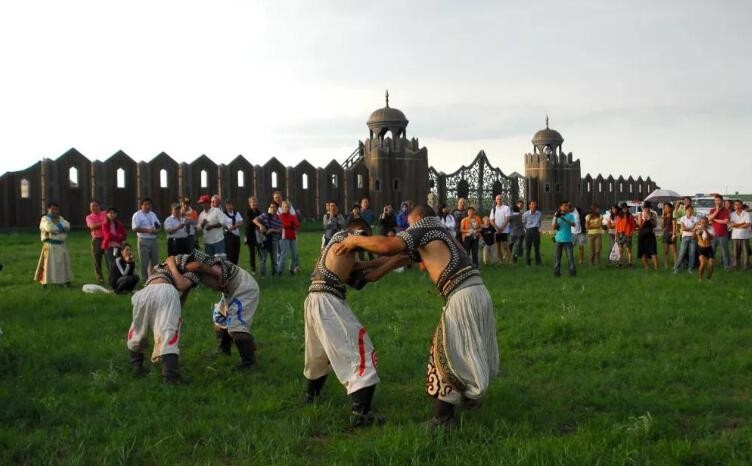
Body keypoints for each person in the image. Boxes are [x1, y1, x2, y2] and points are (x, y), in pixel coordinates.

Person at [333, 206, 499, 428]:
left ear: (418, 218)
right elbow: (398, 258)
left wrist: (354, 241)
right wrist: (364, 267)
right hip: (476, 292)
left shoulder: (425, 226)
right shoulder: (436, 233)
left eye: (409, 223)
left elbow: (388, 246)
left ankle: (443, 419)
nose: (407, 228)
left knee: (444, 354)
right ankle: (469, 399)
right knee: (468, 349)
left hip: (463, 296)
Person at [302, 218, 395, 428]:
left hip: (315, 299)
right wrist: (398, 247)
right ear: (360, 231)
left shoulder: (338, 250)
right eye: (366, 234)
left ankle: (311, 396)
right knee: (361, 353)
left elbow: (362, 280)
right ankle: (360, 414)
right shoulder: (349, 237)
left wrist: (397, 261)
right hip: (327, 301)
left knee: (319, 354)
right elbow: (381, 247)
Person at [126, 253, 214, 384]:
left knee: (138, 330)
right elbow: (183, 284)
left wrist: (177, 308)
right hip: (165, 291)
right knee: (168, 332)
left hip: (144, 293)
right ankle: (170, 377)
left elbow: (183, 293)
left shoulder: (161, 265)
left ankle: (136, 367)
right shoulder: (189, 265)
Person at [187, 250, 261, 370]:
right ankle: (223, 349)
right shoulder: (202, 263)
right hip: (231, 290)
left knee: (236, 327)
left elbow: (197, 266)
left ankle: (249, 362)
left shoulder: (201, 265)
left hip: (244, 288)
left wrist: (183, 268)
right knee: (219, 317)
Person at [35, 202, 73, 287]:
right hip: (50, 245)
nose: (54, 211)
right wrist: (61, 228)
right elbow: (49, 228)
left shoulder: (60, 218)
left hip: (61, 245)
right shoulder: (45, 219)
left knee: (63, 265)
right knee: (49, 265)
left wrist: (58, 226)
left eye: (56, 209)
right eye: (52, 209)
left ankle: (65, 281)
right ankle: (45, 282)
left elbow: (68, 226)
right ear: (48, 209)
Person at [131, 198, 161, 280]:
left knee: (154, 261)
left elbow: (158, 226)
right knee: (144, 261)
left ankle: (153, 277)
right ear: (141, 205)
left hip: (153, 240)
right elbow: (134, 228)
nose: (148, 206)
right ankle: (144, 279)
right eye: (145, 204)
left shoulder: (153, 214)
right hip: (143, 240)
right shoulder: (137, 215)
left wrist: (156, 231)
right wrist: (147, 230)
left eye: (149, 204)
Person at [254, 202, 283, 276]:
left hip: (274, 240)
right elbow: (255, 220)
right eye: (271, 207)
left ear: (277, 209)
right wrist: (260, 225)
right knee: (263, 258)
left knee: (274, 259)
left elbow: (280, 230)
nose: (272, 208)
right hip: (264, 240)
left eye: (274, 207)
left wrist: (272, 230)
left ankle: (274, 274)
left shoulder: (278, 218)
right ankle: (263, 274)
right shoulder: (265, 215)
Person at [197, 194, 226, 258]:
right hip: (207, 242)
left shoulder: (217, 211)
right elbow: (198, 229)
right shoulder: (201, 214)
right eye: (200, 203)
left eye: (203, 203)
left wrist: (212, 226)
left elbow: (223, 223)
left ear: (208, 203)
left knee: (220, 262)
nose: (201, 205)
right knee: (209, 263)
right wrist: (202, 224)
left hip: (218, 241)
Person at [86, 200, 108, 283]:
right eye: (92, 206)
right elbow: (92, 226)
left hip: (107, 238)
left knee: (109, 259)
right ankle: (100, 278)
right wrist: (104, 223)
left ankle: (112, 276)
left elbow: (110, 222)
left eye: (95, 206)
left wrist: (98, 224)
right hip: (97, 239)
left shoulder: (105, 213)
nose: (94, 208)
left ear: (99, 206)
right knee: (97, 259)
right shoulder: (89, 217)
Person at [552, 201, 576, 277]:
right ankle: (557, 273)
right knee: (557, 258)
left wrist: (564, 218)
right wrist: (556, 217)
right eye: (564, 206)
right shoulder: (556, 215)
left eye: (567, 206)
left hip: (568, 240)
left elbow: (573, 224)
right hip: (558, 240)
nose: (566, 207)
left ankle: (572, 273)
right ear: (560, 207)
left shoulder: (570, 215)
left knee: (570, 258)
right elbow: (553, 227)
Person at [708, 194, 731, 271]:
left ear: (722, 201)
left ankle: (727, 267)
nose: (717, 202)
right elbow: (709, 218)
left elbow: (725, 221)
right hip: (713, 235)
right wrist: (717, 211)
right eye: (715, 200)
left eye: (718, 200)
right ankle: (710, 266)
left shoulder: (726, 210)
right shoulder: (712, 210)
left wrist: (714, 220)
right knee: (712, 251)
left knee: (725, 251)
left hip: (723, 234)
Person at [101, 207, 127, 275]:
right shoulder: (104, 224)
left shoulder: (119, 223)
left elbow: (124, 235)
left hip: (118, 246)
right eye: (110, 213)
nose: (112, 214)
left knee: (119, 263)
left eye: (114, 213)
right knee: (111, 263)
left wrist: (118, 237)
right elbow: (108, 236)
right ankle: (112, 279)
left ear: (116, 214)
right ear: (107, 214)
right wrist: (118, 237)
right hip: (109, 246)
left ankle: (119, 277)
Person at [673, 205, 699, 274]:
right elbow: (682, 228)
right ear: (686, 211)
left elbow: (695, 228)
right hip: (685, 237)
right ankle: (676, 268)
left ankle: (690, 269)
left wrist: (688, 229)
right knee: (682, 253)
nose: (690, 211)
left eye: (691, 209)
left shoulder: (696, 218)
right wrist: (691, 229)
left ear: (693, 210)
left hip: (693, 237)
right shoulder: (682, 218)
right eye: (688, 210)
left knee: (692, 253)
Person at [278, 200, 301, 275]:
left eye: (288, 207)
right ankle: (280, 271)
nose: (286, 208)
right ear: (282, 207)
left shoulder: (292, 216)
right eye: (285, 207)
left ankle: (292, 269)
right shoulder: (280, 216)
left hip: (292, 236)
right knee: (284, 254)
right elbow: (283, 225)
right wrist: (291, 225)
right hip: (284, 237)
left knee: (294, 253)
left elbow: (297, 225)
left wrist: (291, 225)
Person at [636, 201, 659, 271]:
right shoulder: (640, 214)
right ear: (643, 208)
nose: (647, 209)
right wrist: (645, 219)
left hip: (651, 235)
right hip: (642, 235)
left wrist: (650, 219)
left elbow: (654, 225)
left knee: (653, 251)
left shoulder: (653, 214)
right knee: (643, 251)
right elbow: (640, 226)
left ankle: (656, 267)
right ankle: (646, 267)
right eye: (645, 208)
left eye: (648, 207)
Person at [729, 200, 751, 271]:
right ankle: (735, 266)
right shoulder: (732, 214)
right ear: (734, 206)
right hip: (735, 236)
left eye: (738, 205)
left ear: (741, 205)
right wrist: (742, 223)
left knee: (745, 253)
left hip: (745, 236)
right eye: (735, 205)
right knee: (735, 253)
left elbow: (747, 225)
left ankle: (746, 267)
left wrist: (736, 225)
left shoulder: (747, 214)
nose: (737, 206)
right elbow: (732, 224)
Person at [489, 195, 511, 263]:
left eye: (500, 199)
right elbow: (491, 220)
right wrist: (496, 228)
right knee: (498, 247)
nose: (499, 200)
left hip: (504, 230)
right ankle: (501, 261)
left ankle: (510, 259)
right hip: (496, 231)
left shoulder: (506, 208)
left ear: (502, 200)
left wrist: (502, 228)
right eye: (498, 199)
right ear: (496, 200)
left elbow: (507, 219)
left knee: (505, 246)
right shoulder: (493, 209)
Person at [222, 199, 244, 265]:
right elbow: (223, 226)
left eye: (230, 205)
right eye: (227, 205)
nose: (229, 206)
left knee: (236, 253)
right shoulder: (223, 214)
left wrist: (234, 226)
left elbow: (241, 222)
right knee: (230, 254)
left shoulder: (236, 213)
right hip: (228, 236)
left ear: (233, 206)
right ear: (225, 206)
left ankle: (236, 267)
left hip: (236, 236)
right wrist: (227, 230)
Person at [245, 196, 263, 273]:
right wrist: (259, 226)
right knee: (252, 252)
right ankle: (253, 269)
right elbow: (253, 221)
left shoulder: (259, 212)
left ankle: (262, 268)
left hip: (258, 234)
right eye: (252, 202)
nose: (254, 203)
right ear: (249, 204)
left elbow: (261, 220)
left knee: (260, 251)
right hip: (250, 234)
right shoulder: (248, 212)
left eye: (255, 202)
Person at [615, 202, 636, 267]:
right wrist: (616, 234)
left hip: (628, 234)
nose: (625, 209)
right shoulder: (619, 216)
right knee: (621, 249)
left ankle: (630, 263)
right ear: (621, 209)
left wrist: (631, 232)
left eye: (625, 208)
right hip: (620, 234)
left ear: (627, 208)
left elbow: (633, 225)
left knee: (628, 249)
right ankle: (620, 262)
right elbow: (617, 226)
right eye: (623, 208)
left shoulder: (630, 216)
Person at [522, 200, 543, 266]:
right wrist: (527, 230)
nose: (534, 205)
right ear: (529, 205)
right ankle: (528, 263)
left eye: (535, 204)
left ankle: (538, 263)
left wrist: (537, 228)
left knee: (537, 247)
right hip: (528, 231)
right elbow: (523, 223)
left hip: (536, 231)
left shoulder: (539, 213)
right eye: (532, 204)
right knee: (528, 248)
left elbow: (539, 222)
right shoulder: (525, 214)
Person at [694, 217, 715, 281]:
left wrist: (705, 230)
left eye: (706, 222)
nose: (704, 224)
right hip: (701, 248)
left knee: (711, 265)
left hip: (709, 248)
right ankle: (700, 278)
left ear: (708, 222)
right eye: (702, 222)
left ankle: (709, 278)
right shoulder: (698, 228)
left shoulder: (711, 228)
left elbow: (711, 238)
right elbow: (693, 237)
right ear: (700, 222)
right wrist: (695, 232)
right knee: (703, 263)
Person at [661, 203, 677, 269]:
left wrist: (673, 235)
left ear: (671, 208)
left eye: (667, 207)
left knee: (674, 251)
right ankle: (666, 265)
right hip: (665, 234)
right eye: (664, 208)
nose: (666, 209)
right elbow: (662, 226)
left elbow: (674, 226)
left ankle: (676, 265)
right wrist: (662, 218)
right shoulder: (664, 216)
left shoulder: (673, 216)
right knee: (666, 251)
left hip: (671, 235)